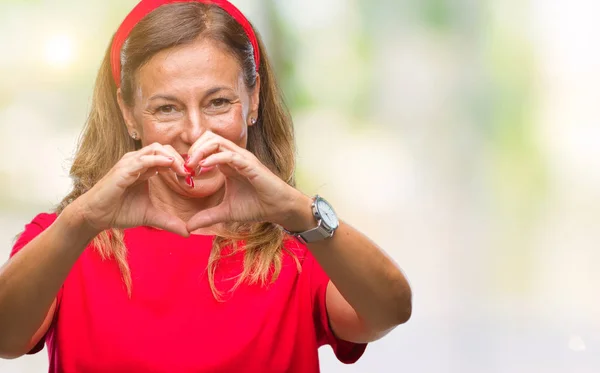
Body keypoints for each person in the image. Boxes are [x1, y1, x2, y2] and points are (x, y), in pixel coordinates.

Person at [0, 1, 412, 372]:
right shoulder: (66, 239)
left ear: (252, 99)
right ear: (129, 115)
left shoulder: (302, 245)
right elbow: (6, 339)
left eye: (218, 102)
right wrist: (81, 220)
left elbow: (391, 310)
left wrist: (300, 212)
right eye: (166, 108)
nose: (195, 132)